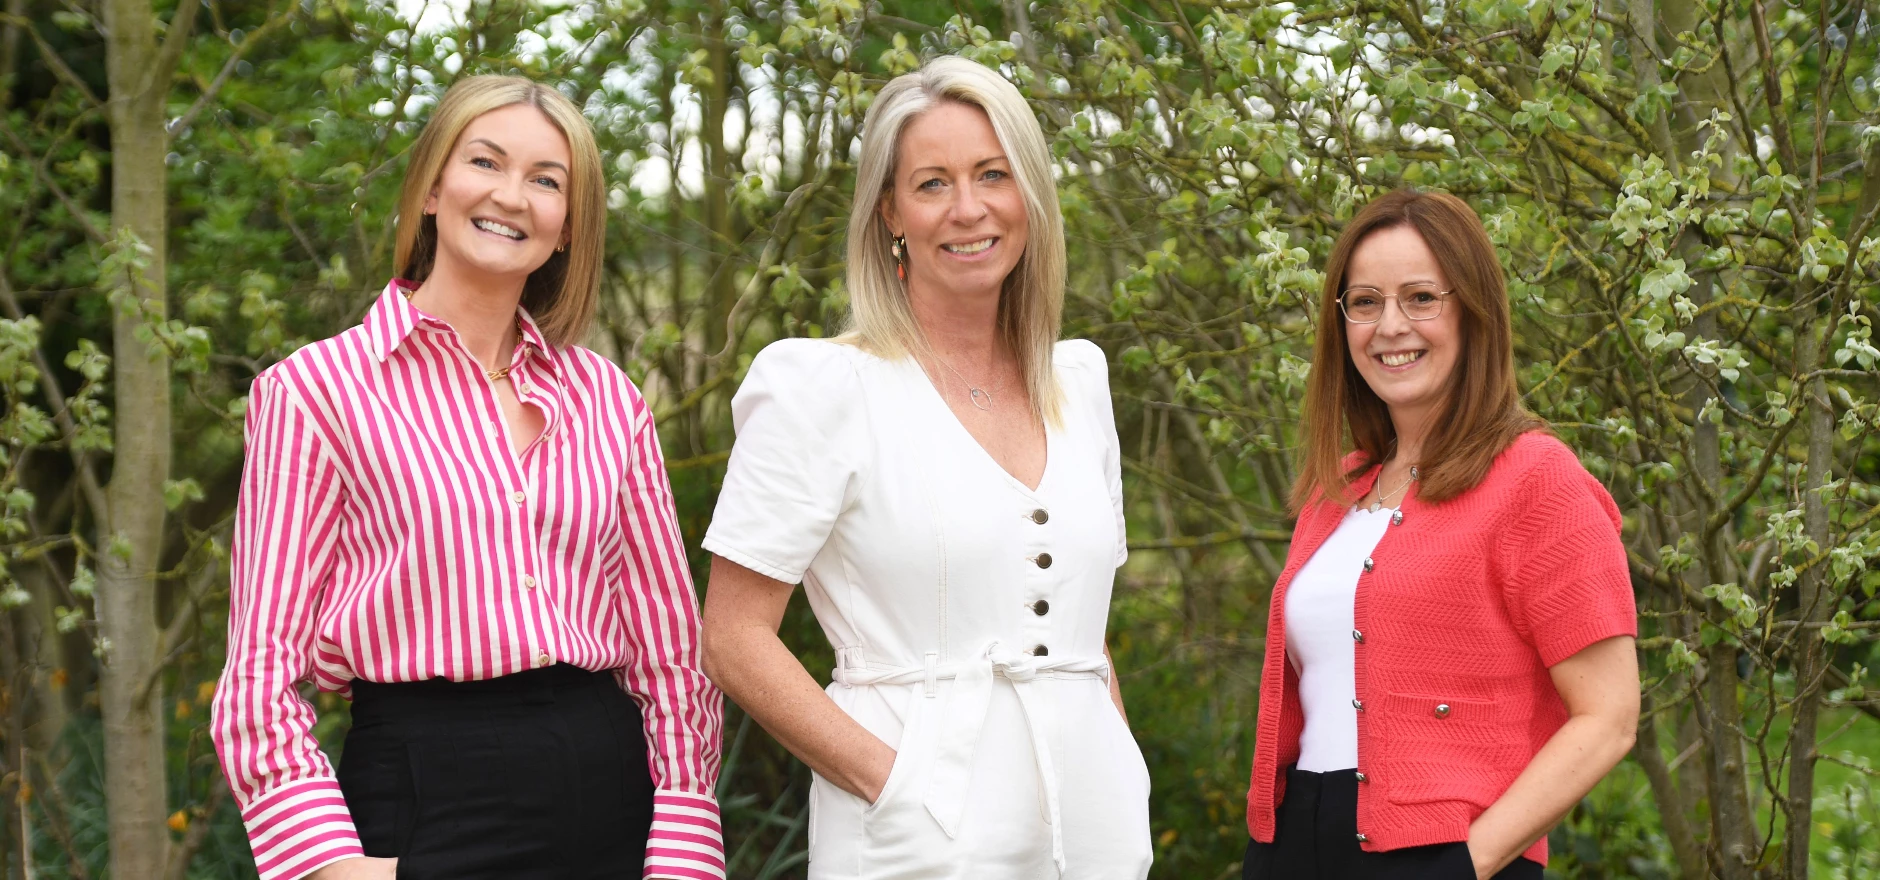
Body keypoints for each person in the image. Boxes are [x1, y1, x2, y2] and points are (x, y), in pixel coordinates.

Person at [211, 75, 724, 880]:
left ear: (565, 228)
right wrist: (337, 871)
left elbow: (669, 656)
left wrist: (685, 848)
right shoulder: (313, 393)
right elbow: (259, 679)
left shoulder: (610, 401)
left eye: (546, 181)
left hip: (614, 799)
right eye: (485, 162)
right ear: (430, 188)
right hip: (426, 802)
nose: (511, 196)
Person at [698, 56, 1152, 879]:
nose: (969, 208)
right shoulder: (822, 386)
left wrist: (1121, 766)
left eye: (992, 175)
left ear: (1031, 196)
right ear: (889, 213)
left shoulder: (1077, 381)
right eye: (933, 183)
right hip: (916, 836)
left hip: (1096, 832)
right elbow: (732, 638)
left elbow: (1082, 628)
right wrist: (891, 782)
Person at [1242, 189, 1640, 879]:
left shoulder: (1537, 480)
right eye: (1365, 302)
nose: (1390, 325)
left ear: (1473, 311)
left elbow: (1609, 717)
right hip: (1293, 845)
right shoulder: (1336, 491)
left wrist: (1469, 863)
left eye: (1421, 297)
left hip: (1446, 856)